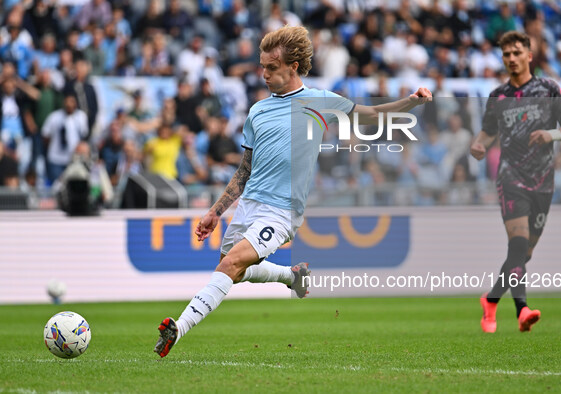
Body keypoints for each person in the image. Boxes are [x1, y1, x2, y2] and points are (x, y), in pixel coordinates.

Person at [154, 26, 432, 358]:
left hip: (282, 210)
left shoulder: (319, 101)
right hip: (249, 205)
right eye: (262, 66)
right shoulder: (257, 111)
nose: (264, 74)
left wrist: (410, 103)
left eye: (271, 68)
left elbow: (369, 116)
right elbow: (245, 169)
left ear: (293, 67)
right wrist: (216, 211)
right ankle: (292, 275)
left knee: (230, 265)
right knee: (233, 270)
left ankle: (178, 328)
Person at [470, 31, 561, 334]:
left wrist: (550, 134)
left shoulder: (548, 88)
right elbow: (487, 132)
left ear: (529, 55)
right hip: (511, 177)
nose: (512, 59)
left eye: (517, 53)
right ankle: (522, 309)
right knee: (517, 245)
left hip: (543, 181)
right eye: (506, 54)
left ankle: (491, 300)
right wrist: (478, 145)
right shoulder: (498, 97)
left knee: (523, 255)